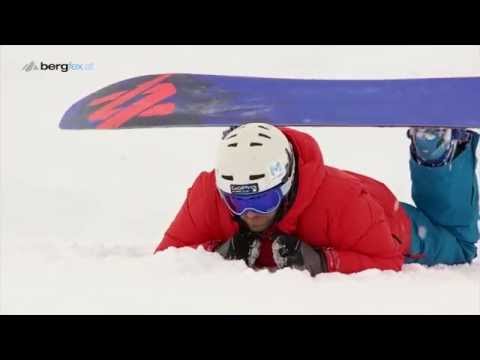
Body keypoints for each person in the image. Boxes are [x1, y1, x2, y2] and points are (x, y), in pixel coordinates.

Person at [154, 123, 479, 275]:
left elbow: (387, 260)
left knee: (460, 246)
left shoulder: (342, 204)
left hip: (389, 228)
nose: (250, 214)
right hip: (345, 204)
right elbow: (168, 258)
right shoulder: (209, 194)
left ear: (285, 182)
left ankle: (439, 150)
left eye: (263, 200)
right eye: (237, 203)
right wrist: (217, 252)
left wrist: (325, 262)